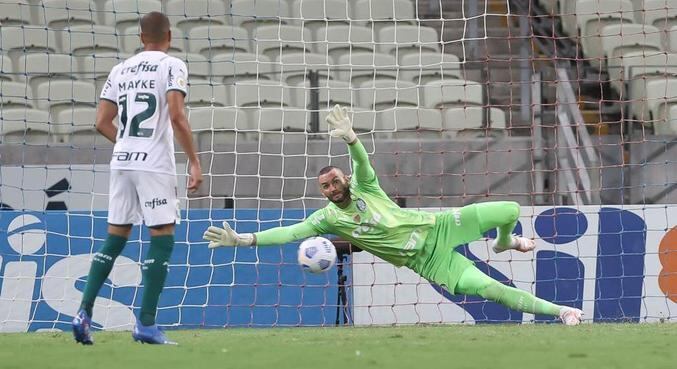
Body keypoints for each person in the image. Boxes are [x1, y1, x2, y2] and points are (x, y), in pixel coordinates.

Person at [203, 104, 583, 326]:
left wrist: (352, 138)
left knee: (510, 209)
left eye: (335, 182)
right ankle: (563, 312)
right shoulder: (327, 220)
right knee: (490, 290)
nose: (332, 190)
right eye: (326, 188)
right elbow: (289, 233)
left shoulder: (366, 187)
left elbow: (362, 161)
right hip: (427, 262)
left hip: (438, 227)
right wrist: (245, 239)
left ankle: (504, 242)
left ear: (344, 179)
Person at [72, 11, 203, 345]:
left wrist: (128, 145)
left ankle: (83, 312)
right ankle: (145, 323)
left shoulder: (120, 70)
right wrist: (194, 161)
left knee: (115, 237)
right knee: (161, 234)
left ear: (141, 37)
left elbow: (102, 121)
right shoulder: (172, 65)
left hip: (122, 162)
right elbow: (176, 115)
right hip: (154, 164)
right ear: (169, 36)